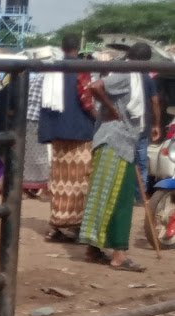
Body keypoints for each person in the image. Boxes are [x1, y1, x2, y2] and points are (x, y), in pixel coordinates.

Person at [79, 61, 146, 272]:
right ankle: (119, 255)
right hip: (116, 143)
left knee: (102, 196)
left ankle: (93, 249)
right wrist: (111, 109)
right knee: (121, 200)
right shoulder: (128, 75)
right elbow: (95, 86)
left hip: (116, 142)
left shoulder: (130, 77)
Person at [38, 33, 97, 243]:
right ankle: (74, 225)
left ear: (62, 48)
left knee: (59, 178)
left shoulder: (52, 68)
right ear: (79, 47)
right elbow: (86, 98)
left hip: (57, 131)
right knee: (79, 179)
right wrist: (96, 117)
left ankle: (56, 224)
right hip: (79, 131)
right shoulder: (81, 68)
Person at [127, 42, 161, 205]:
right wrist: (156, 125)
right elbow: (154, 102)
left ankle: (124, 195)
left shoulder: (123, 75)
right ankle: (140, 197)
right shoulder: (147, 78)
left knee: (124, 160)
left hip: (125, 125)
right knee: (141, 163)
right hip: (142, 126)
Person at [23, 72, 50, 198]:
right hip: (37, 118)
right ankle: (44, 188)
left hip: (27, 116)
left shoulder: (35, 78)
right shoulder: (48, 79)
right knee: (40, 155)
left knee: (27, 155)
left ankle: (27, 186)